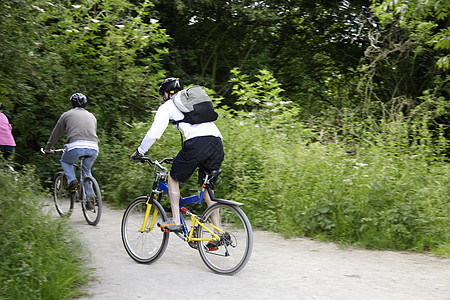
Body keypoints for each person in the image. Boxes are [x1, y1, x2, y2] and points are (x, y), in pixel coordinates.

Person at [130, 78, 224, 232]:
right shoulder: (191, 104)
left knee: (173, 178)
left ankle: (176, 221)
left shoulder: (167, 106)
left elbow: (154, 134)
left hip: (197, 143)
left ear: (166, 93)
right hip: (217, 143)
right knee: (208, 190)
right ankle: (218, 233)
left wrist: (140, 152)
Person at [44, 93, 99, 208]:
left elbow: (56, 133)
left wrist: (48, 148)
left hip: (75, 146)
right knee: (86, 170)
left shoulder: (66, 115)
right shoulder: (92, 116)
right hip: (93, 147)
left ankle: (72, 180)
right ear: (85, 105)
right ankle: (90, 197)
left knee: (66, 162)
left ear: (71, 104)